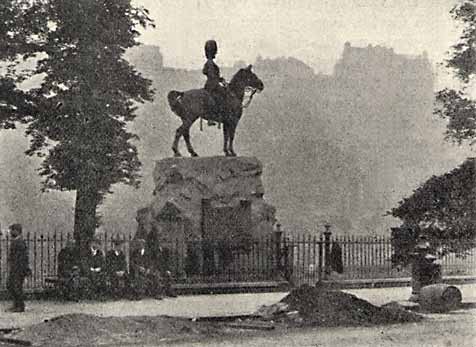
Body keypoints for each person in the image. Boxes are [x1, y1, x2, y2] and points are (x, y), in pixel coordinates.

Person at [6, 223, 31, 312]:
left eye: (12, 230)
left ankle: (20, 306)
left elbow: (22, 258)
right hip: (15, 268)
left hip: (19, 269)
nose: (10, 232)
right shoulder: (16, 241)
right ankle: (16, 304)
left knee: (16, 287)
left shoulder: (20, 242)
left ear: (17, 231)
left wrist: (23, 269)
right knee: (10, 285)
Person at [202, 39, 227, 125]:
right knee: (223, 96)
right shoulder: (210, 63)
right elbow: (211, 75)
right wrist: (218, 80)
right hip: (212, 85)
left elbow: (208, 73)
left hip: (211, 83)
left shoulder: (209, 62)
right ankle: (213, 117)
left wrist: (220, 79)